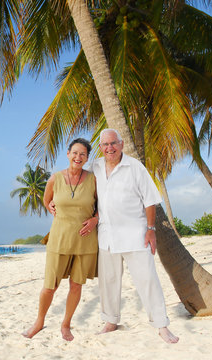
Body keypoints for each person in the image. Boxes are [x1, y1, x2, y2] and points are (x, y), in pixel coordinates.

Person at [89, 128, 179, 344]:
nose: (109, 148)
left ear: (121, 144)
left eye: (113, 143)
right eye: (105, 145)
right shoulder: (96, 167)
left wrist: (151, 229)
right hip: (106, 235)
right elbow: (78, 184)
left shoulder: (135, 167)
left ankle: (161, 326)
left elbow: (149, 200)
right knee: (108, 282)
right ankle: (110, 321)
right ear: (100, 148)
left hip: (135, 234)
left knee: (147, 279)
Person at [23, 138, 99, 341]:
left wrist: (95, 220)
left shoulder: (93, 179)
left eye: (83, 154)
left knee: (76, 285)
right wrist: (49, 206)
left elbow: (102, 207)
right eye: (75, 153)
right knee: (50, 286)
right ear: (68, 154)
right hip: (59, 240)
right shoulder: (55, 179)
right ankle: (39, 322)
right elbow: (46, 200)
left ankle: (66, 325)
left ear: (87, 158)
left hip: (85, 242)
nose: (78, 157)